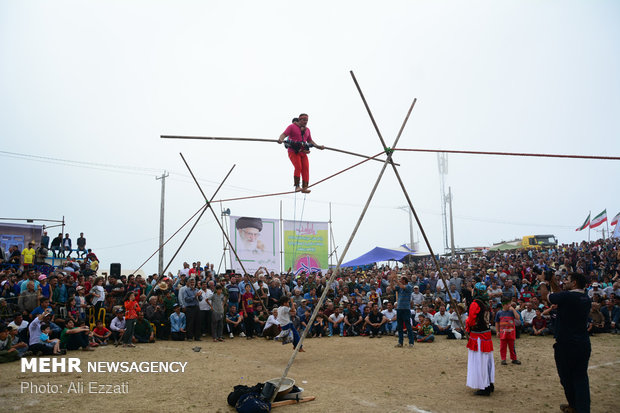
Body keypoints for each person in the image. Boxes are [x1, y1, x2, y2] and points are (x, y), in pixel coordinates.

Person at [543, 272, 591, 413]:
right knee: (581, 377)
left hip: (566, 344)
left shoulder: (568, 296)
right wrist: (553, 282)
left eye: (567, 280)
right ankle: (579, 407)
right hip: (582, 343)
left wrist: (543, 281)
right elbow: (561, 296)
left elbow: (546, 297)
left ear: (574, 283)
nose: (564, 282)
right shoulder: (585, 297)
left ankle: (576, 407)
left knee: (566, 377)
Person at [277, 113, 324, 193]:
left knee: (305, 168)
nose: (305, 122)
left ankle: (305, 187)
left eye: (307, 120)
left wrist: (318, 146)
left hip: (303, 152)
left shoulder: (307, 130)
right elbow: (284, 134)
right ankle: (297, 186)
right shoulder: (292, 127)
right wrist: (280, 139)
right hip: (294, 151)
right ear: (299, 120)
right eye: (304, 120)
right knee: (298, 167)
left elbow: (310, 141)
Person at [466, 282, 495, 396]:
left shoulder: (475, 303)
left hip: (478, 335)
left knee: (479, 361)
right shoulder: (486, 303)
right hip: (486, 334)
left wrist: (467, 324)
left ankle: (484, 386)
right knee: (486, 360)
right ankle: (489, 383)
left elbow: (472, 319)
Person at [495, 299, 522, 366]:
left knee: (512, 347)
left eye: (509, 304)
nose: (509, 306)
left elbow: (518, 318)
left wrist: (513, 310)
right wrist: (497, 331)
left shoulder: (511, 312)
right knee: (503, 347)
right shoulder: (499, 313)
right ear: (503, 305)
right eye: (507, 304)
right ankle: (503, 359)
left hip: (511, 332)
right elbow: (497, 322)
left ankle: (514, 358)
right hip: (503, 332)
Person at [392, 273, 415, 348]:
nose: (400, 281)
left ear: (404, 281)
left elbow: (402, 286)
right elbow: (392, 287)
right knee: (400, 326)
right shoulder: (400, 287)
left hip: (405, 309)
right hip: (399, 309)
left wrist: (396, 279)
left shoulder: (409, 287)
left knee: (408, 326)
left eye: (401, 280)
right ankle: (400, 342)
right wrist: (392, 279)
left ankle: (411, 342)